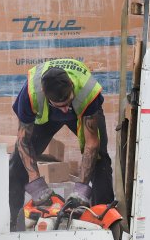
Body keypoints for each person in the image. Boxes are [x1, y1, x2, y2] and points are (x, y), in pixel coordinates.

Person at [9, 58, 114, 228]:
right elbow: (23, 141)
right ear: (45, 94)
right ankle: (13, 222)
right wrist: (37, 186)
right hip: (48, 116)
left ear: (72, 86)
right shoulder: (29, 94)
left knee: (100, 159)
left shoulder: (87, 90)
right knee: (17, 163)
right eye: (60, 106)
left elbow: (92, 144)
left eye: (67, 103)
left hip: (81, 112)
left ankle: (103, 221)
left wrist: (81, 190)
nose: (65, 110)